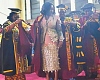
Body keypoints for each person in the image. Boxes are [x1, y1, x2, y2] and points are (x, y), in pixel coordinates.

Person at [31, 2, 64, 80]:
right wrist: (36, 27)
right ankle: (47, 77)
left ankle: (55, 77)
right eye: (50, 9)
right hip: (43, 41)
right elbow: (35, 29)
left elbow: (59, 30)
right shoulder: (40, 18)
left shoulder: (56, 17)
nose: (52, 10)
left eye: (53, 9)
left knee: (54, 60)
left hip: (54, 40)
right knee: (46, 60)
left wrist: (61, 40)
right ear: (46, 9)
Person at [0, 8, 33, 80]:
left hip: (19, 49)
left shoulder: (19, 24)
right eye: (15, 17)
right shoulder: (7, 23)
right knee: (12, 67)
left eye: (18, 17)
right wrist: (15, 23)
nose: (16, 18)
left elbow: (27, 31)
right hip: (11, 50)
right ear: (11, 16)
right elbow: (5, 31)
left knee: (20, 67)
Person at [56, 4, 81, 80]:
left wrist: (71, 24)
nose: (61, 13)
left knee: (68, 58)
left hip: (68, 43)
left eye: (63, 12)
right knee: (59, 57)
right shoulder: (56, 19)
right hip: (58, 42)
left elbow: (78, 26)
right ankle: (59, 75)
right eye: (60, 12)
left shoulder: (68, 19)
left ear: (65, 12)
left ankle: (69, 74)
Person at [80, 3, 100, 79]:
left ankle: (97, 73)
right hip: (86, 40)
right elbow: (80, 28)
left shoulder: (96, 17)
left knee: (96, 55)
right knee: (88, 56)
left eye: (88, 11)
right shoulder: (83, 19)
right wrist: (83, 27)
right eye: (86, 11)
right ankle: (89, 72)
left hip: (95, 39)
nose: (87, 12)